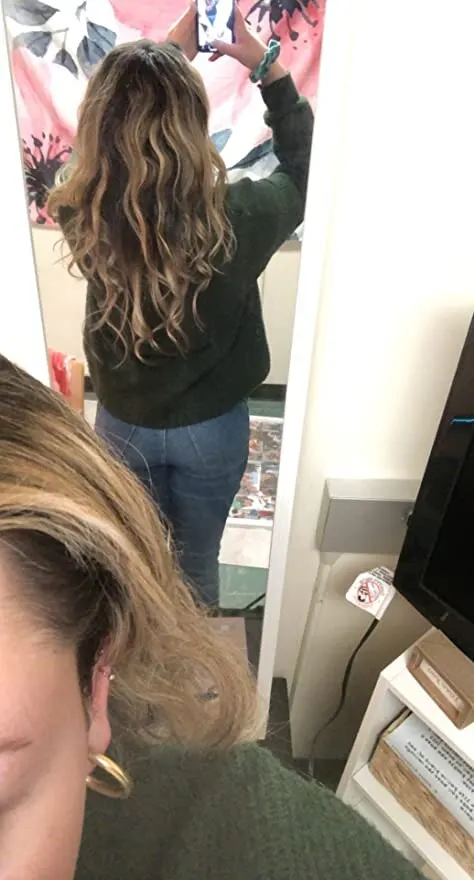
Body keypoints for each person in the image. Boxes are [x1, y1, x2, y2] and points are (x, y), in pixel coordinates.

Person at [0, 353, 424, 880]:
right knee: (194, 565)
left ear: (98, 677)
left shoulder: (261, 837)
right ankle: (186, 689)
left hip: (126, 414)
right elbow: (251, 349)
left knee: (155, 567)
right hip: (203, 419)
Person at [47, 3, 314, 607]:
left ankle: (144, 659)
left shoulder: (82, 208)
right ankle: (195, 663)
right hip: (211, 428)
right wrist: (267, 68)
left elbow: (90, 152)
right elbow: (307, 170)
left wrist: (163, 59)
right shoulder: (239, 216)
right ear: (194, 123)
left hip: (122, 422)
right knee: (196, 567)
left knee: (135, 564)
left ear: (100, 121)